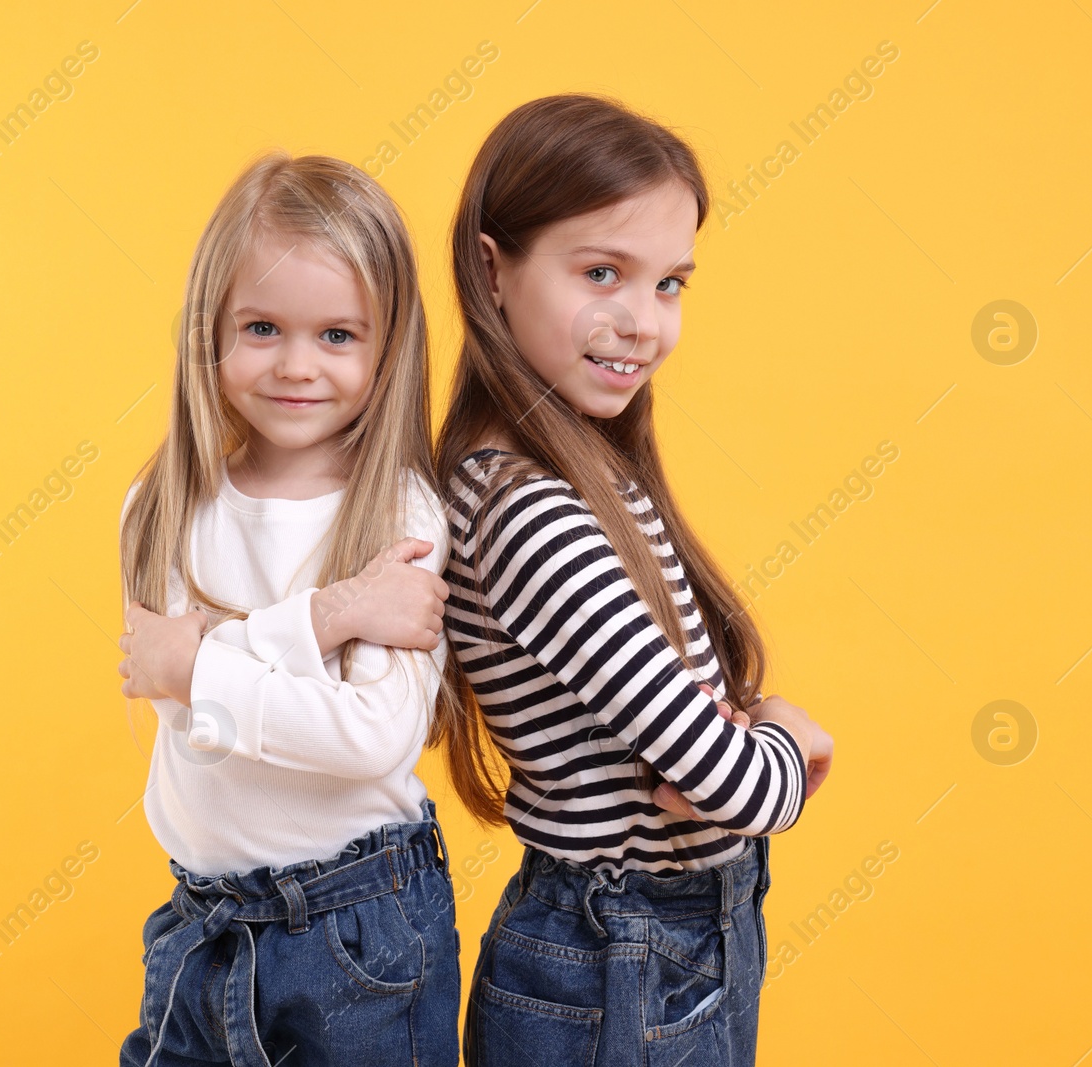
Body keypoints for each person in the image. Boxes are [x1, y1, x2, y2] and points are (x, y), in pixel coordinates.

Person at [432, 94, 836, 1066]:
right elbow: (733, 780)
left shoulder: (584, 471)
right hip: (615, 957)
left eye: (670, 284)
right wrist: (787, 734)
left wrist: (732, 748)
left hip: (663, 945)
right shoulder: (526, 508)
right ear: (493, 271)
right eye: (602, 272)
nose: (642, 322)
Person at [115, 151, 460, 1067]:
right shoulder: (163, 506)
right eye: (262, 327)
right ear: (209, 332)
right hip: (202, 923)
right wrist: (326, 618)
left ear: (389, 345)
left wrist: (202, 660)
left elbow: (366, 739)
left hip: (360, 930)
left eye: (338, 335)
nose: (298, 365)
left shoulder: (401, 515)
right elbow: (183, 711)